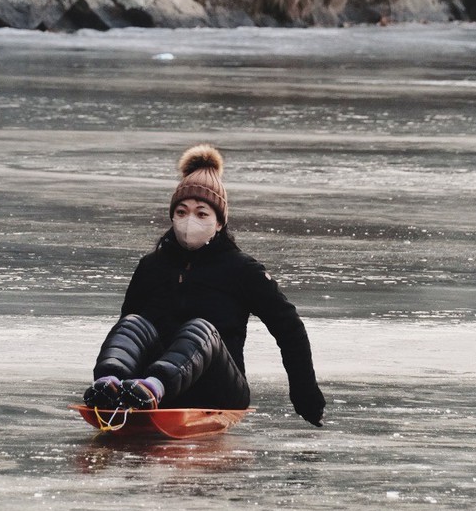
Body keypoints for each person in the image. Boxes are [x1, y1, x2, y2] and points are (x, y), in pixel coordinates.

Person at [83, 144, 326, 425]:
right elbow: (128, 336)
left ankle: (154, 386)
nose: (189, 221)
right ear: (173, 216)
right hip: (149, 391)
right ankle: (108, 388)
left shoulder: (241, 269)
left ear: (219, 223)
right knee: (133, 323)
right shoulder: (151, 267)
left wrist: (306, 398)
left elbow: (290, 330)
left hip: (218, 389)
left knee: (200, 329)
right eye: (182, 212)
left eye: (201, 214)